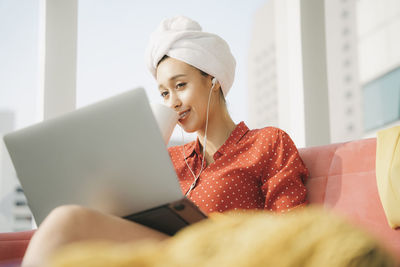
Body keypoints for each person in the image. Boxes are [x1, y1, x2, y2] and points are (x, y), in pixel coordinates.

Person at [21, 16, 308, 267]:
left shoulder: (267, 142)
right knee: (66, 222)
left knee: (68, 221)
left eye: (180, 85)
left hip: (223, 255)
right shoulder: (169, 158)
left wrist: (224, 230)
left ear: (213, 80)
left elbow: (293, 228)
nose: (172, 102)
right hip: (161, 254)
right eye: (163, 93)